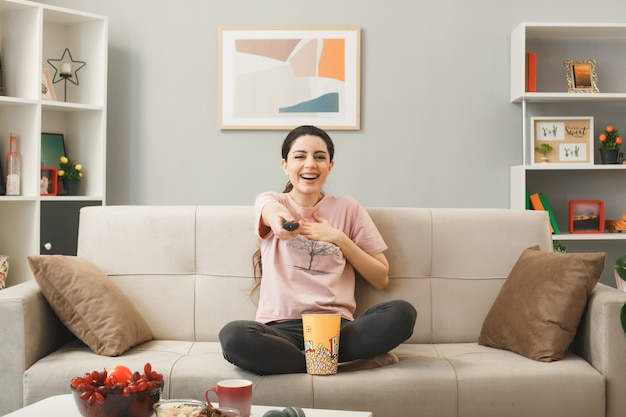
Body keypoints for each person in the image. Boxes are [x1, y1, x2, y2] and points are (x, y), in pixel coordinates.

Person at [219, 125, 417, 375]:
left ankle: (308, 362)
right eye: (300, 156)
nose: (310, 164)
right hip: (280, 330)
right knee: (234, 336)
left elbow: (381, 278)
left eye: (319, 157)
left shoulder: (348, 208)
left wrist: (338, 238)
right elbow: (271, 213)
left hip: (337, 329)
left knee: (401, 313)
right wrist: (280, 225)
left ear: (330, 166)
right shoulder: (272, 200)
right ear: (285, 165)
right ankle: (343, 364)